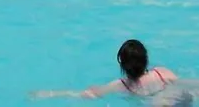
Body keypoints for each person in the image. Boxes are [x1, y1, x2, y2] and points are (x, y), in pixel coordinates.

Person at [30, 39, 186, 103]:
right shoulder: (162, 73)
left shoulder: (121, 86)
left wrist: (50, 94)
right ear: (146, 58)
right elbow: (187, 86)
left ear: (122, 65)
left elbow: (86, 94)